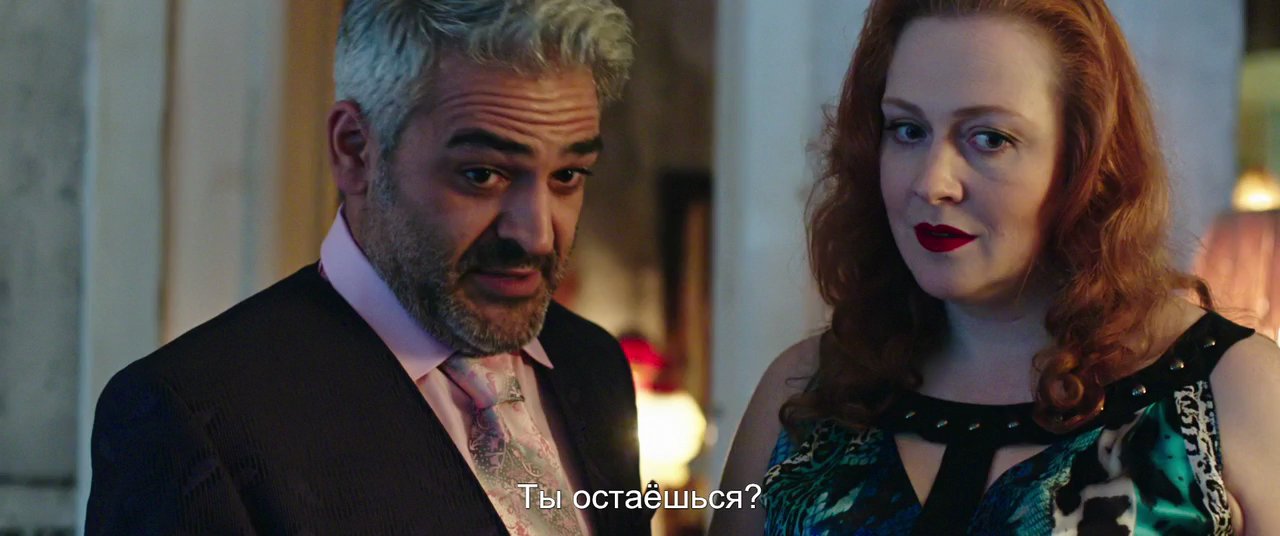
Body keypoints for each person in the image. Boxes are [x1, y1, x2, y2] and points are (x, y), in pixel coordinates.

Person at [712, 0, 1280, 534]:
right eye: (907, 130)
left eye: (989, 138)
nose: (932, 182)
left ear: (1085, 160)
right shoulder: (805, 391)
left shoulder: (1235, 388)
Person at [86, 1, 649, 534]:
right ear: (354, 149)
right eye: (482, 174)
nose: (537, 233)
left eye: (567, 176)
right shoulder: (192, 414)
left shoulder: (593, 363)